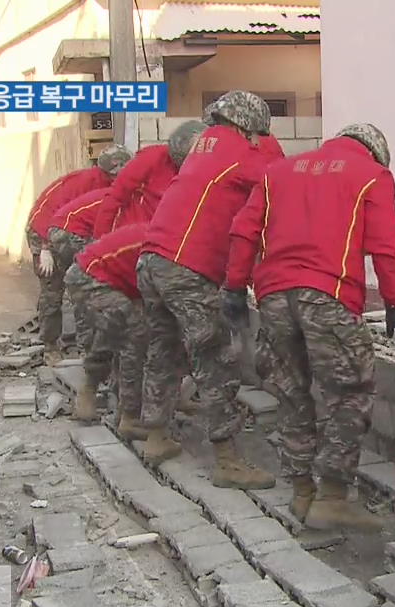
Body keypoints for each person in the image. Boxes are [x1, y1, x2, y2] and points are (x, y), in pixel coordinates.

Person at [225, 123, 395, 531]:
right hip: (327, 294)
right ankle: (333, 496)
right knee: (350, 393)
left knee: (292, 392)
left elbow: (244, 231)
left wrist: (235, 287)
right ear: (374, 151)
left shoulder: (279, 172)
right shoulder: (372, 175)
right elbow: (385, 245)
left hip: (272, 296)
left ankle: (302, 490)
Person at [137, 90, 284, 488]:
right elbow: (280, 181)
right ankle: (227, 460)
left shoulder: (204, 145)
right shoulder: (240, 151)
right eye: (256, 134)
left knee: (163, 349)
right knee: (216, 358)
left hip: (152, 261)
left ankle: (155, 436)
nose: (258, 141)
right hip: (187, 266)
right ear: (243, 125)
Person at [27, 145, 130, 360]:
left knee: (82, 284)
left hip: (73, 234)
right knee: (53, 288)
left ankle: (86, 343)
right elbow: (49, 212)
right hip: (43, 231)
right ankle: (50, 346)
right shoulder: (83, 184)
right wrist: (45, 247)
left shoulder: (114, 187)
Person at [64, 222, 153, 438]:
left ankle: (91, 394)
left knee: (113, 332)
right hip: (89, 276)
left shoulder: (161, 236)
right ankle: (129, 417)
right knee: (135, 334)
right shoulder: (162, 245)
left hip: (104, 277)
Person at [90, 120, 208, 239]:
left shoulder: (206, 170)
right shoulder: (151, 158)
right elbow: (115, 196)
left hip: (169, 237)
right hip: (134, 235)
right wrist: (100, 239)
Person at [38, 187, 109, 362]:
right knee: (80, 291)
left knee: (78, 290)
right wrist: (44, 246)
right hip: (64, 235)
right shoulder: (103, 194)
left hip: (63, 234)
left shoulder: (103, 195)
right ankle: (76, 348)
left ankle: (71, 346)